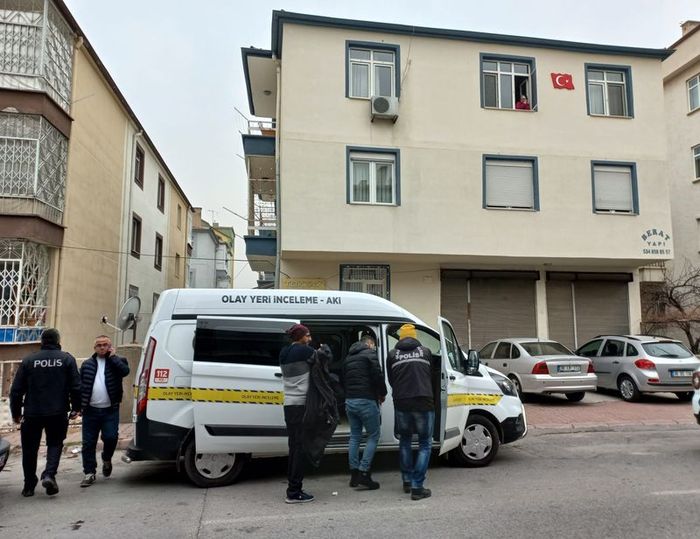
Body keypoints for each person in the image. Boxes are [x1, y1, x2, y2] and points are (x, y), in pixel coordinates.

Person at [9, 328, 81, 497]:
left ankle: (29, 485)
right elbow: (76, 387)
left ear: (42, 341)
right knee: (55, 443)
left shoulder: (29, 360)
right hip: (58, 411)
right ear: (58, 341)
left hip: (32, 412)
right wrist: (76, 408)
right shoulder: (66, 359)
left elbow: (16, 390)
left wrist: (16, 413)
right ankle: (49, 475)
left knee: (29, 449)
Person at [387, 323, 437, 501]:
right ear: (415, 337)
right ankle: (417, 487)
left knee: (405, 441)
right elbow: (431, 376)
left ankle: (407, 481)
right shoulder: (426, 352)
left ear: (400, 337)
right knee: (425, 444)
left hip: (402, 402)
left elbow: (391, 380)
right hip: (423, 401)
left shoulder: (392, 354)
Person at [79, 335, 130, 487]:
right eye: (99, 345)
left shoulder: (118, 361)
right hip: (90, 411)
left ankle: (106, 458)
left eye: (105, 345)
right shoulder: (87, 364)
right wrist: (79, 406)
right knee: (88, 443)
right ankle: (89, 472)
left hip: (110, 410)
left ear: (110, 346)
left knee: (111, 437)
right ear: (94, 348)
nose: (102, 347)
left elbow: (125, 372)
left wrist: (113, 357)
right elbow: (81, 386)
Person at [342, 333, 387, 490]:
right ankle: (364, 472)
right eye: (374, 345)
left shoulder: (348, 357)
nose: (374, 348)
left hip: (350, 401)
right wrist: (383, 393)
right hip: (366, 400)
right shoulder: (369, 354)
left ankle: (354, 474)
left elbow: (344, 379)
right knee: (373, 435)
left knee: (355, 436)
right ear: (369, 344)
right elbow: (378, 376)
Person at [279, 323, 316, 504]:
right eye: (307, 335)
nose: (310, 339)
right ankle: (294, 492)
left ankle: (293, 488)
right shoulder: (305, 351)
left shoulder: (284, 352)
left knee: (294, 447)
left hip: (289, 405)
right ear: (300, 337)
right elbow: (324, 359)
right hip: (300, 406)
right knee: (299, 449)